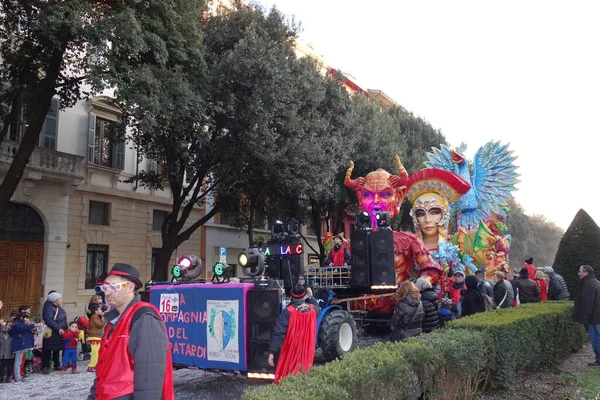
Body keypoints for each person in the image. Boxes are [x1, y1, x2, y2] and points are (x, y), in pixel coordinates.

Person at [87, 263, 173, 399]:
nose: (107, 292)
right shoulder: (113, 321)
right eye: (105, 287)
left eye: (113, 287)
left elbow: (149, 375)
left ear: (130, 287)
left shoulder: (144, 317)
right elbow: (104, 370)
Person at [268, 284, 320, 385]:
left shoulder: (288, 312)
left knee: (289, 372)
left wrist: (272, 352)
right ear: (304, 295)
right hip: (307, 348)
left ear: (292, 295)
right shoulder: (313, 309)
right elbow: (318, 307)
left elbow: (278, 333)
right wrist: (311, 297)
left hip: (292, 348)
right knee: (305, 369)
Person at [573, 265, 600, 367]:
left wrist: (584, 318)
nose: (578, 273)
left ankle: (599, 360)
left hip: (594, 318)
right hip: (596, 316)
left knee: (596, 339)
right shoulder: (596, 282)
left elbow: (587, 303)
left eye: (580, 271)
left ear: (586, 273)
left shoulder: (588, 284)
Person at [42, 291, 67, 374]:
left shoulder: (57, 306)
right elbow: (48, 320)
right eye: (60, 298)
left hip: (58, 333)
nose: (61, 299)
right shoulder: (48, 308)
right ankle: (45, 366)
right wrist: (58, 328)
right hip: (53, 332)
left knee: (56, 349)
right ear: (55, 300)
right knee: (48, 350)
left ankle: (56, 364)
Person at [10, 309, 37, 384]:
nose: (27, 319)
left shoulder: (22, 324)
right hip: (19, 346)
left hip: (22, 346)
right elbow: (22, 329)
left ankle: (19, 377)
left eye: (28, 318)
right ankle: (17, 378)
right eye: (26, 318)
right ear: (22, 318)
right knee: (18, 362)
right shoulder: (18, 324)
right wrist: (33, 325)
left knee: (20, 362)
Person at [86, 303, 104, 373]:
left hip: (95, 337)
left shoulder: (94, 317)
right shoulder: (94, 317)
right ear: (96, 311)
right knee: (95, 353)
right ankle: (91, 366)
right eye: (100, 310)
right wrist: (102, 319)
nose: (101, 311)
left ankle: (95, 365)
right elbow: (100, 325)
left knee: (97, 352)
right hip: (94, 337)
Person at [0, 318, 13, 383]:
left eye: (9, 326)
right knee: (1, 366)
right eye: (6, 326)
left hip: (9, 354)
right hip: (1, 354)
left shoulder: (12, 336)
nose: (7, 327)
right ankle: (1, 377)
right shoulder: (0, 335)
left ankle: (8, 377)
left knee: (9, 366)